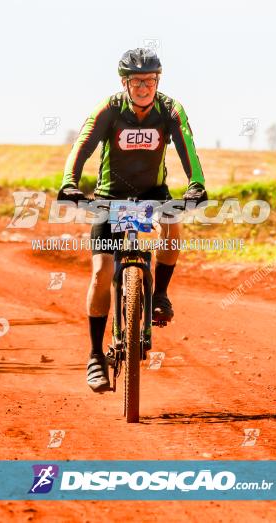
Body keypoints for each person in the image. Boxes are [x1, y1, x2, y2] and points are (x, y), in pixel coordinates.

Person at [57, 48, 207, 392]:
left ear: (158, 80)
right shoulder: (110, 109)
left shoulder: (170, 109)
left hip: (153, 193)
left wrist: (196, 184)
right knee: (101, 271)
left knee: (172, 220)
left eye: (150, 79)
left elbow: (188, 147)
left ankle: (161, 295)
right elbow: (82, 145)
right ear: (125, 82)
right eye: (137, 80)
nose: (143, 87)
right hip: (110, 197)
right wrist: (69, 182)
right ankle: (96, 355)